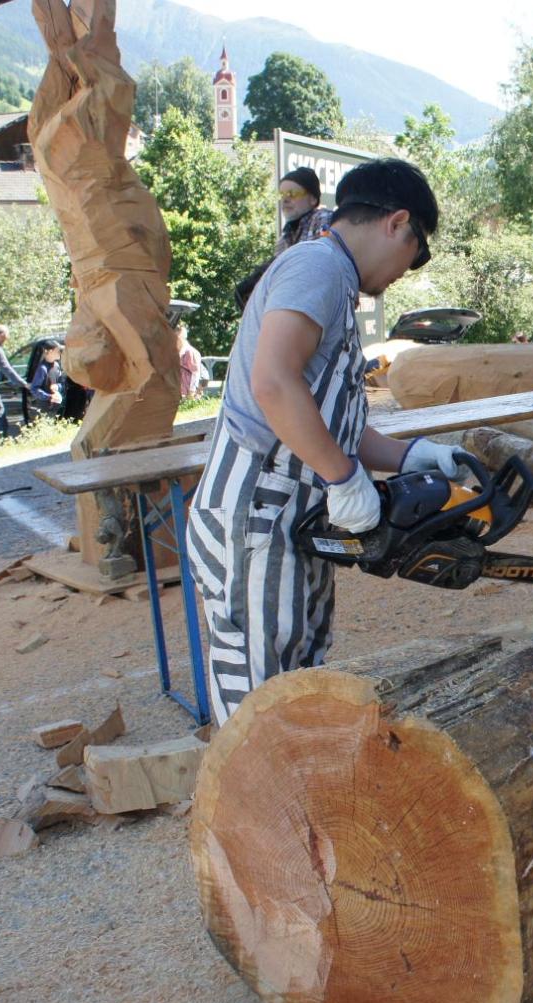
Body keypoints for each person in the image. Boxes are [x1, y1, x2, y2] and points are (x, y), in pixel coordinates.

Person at [184, 157, 451, 725]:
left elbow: (330, 423)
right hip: (256, 509)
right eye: (414, 252)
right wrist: (345, 478)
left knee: (299, 681)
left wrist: (411, 455)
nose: (405, 271)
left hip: (290, 513)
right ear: (397, 223)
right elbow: (274, 383)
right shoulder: (318, 267)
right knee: (261, 703)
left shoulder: (335, 282)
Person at [234, 167, 337, 312]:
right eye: (282, 194)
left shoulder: (323, 219)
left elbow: (320, 264)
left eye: (292, 193)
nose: (285, 199)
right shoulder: (285, 238)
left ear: (313, 199)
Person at [0, 325, 48, 445]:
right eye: (5, 338)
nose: (5, 341)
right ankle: (4, 442)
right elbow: (7, 369)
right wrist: (24, 384)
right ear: (1, 335)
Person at [21, 339, 64, 424]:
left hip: (57, 407)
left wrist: (58, 386)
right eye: (58, 350)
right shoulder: (42, 369)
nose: (60, 352)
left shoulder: (56, 365)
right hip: (46, 409)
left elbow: (62, 383)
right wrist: (49, 397)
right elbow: (34, 389)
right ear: (50, 352)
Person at [176, 323, 204, 398]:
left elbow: (195, 373)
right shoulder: (176, 351)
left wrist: (191, 393)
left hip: (186, 394)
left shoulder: (190, 352)